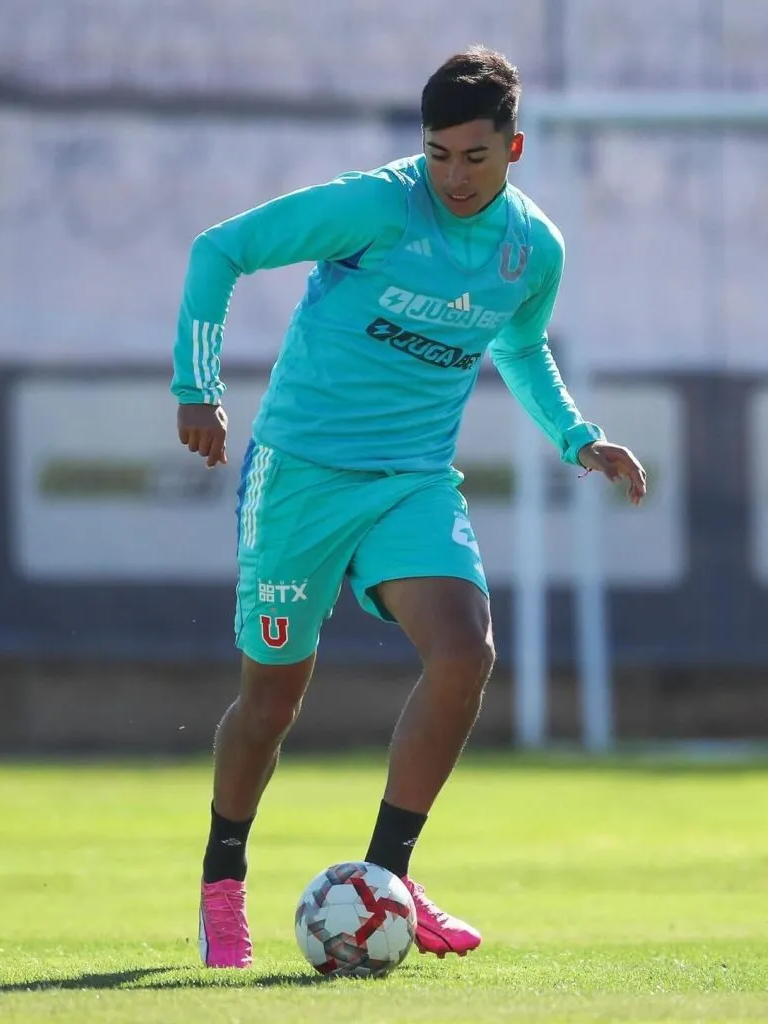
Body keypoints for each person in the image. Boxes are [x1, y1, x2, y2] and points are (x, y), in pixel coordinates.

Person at [171, 46, 646, 970]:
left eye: (474, 156)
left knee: (466, 650)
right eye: (437, 154)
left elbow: (520, 345)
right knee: (269, 705)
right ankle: (222, 882)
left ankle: (386, 881)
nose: (453, 176)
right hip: (300, 474)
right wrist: (196, 385)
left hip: (412, 482)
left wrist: (576, 435)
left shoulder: (531, 247)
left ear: (514, 147)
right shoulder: (374, 207)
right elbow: (217, 250)